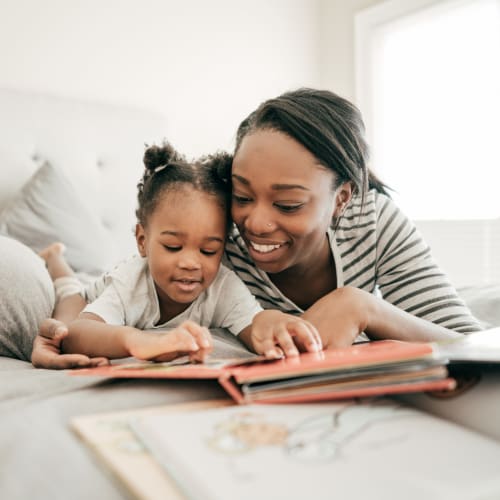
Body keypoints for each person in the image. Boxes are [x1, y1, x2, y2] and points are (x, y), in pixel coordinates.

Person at [32, 88, 480, 369]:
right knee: (74, 283)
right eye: (242, 196)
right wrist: (61, 330)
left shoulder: (375, 221)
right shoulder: (211, 237)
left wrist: (364, 307)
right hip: (99, 285)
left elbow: (473, 345)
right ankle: (57, 261)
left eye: (287, 203)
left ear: (342, 197)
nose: (255, 224)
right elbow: (123, 299)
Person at [32, 142, 321, 367]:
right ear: (143, 241)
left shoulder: (223, 286)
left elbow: (254, 322)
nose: (190, 263)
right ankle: (55, 258)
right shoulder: (129, 283)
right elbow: (80, 333)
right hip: (91, 294)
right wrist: (138, 341)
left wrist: (276, 323)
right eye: (173, 247)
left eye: (209, 250)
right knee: (68, 300)